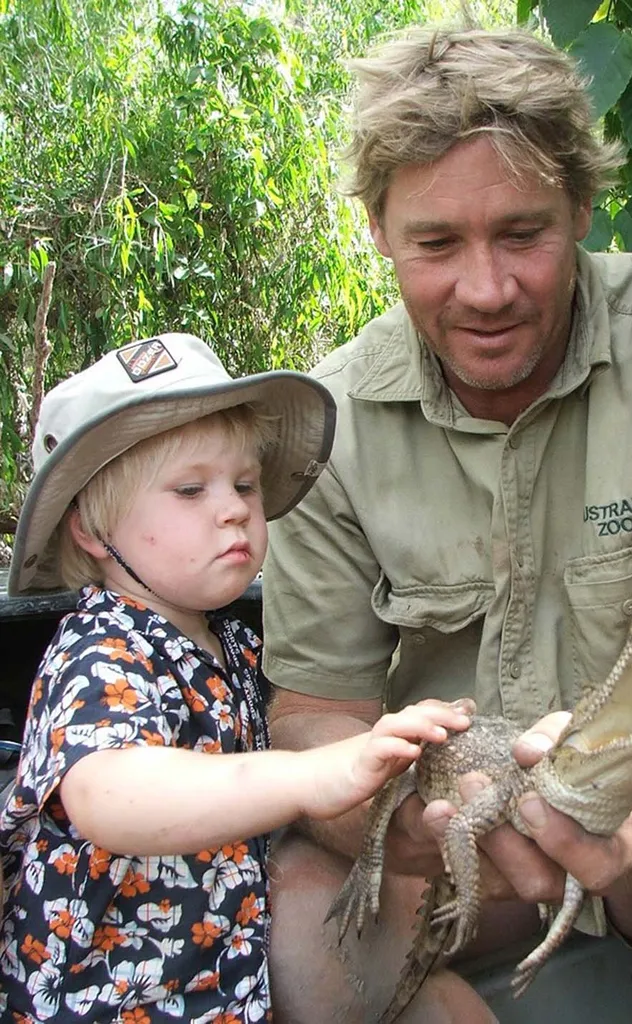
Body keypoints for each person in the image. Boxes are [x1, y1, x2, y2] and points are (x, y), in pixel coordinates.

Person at [258, 23, 632, 1024]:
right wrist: (395, 819)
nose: (485, 290)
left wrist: (619, 762)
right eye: (437, 243)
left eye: (523, 233)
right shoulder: (331, 424)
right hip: (454, 851)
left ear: (581, 207)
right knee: (292, 914)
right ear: (378, 230)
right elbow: (314, 710)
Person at [0, 332, 475, 1022]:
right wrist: (312, 776)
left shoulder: (234, 644)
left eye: (243, 485)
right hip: (113, 1001)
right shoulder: (101, 651)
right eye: (190, 490)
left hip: (220, 983)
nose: (232, 509)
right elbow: (109, 792)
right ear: (93, 532)